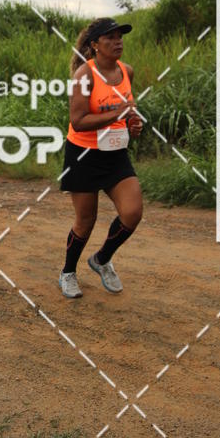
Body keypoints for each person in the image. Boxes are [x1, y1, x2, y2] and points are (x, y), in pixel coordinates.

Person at [59, 17, 144, 299]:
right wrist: (118, 114)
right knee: (86, 219)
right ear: (95, 45)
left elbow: (127, 111)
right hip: (83, 154)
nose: (118, 41)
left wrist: (132, 123)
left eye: (120, 36)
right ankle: (68, 272)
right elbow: (79, 120)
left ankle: (102, 259)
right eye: (110, 37)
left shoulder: (126, 71)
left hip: (115, 153)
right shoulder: (84, 76)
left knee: (132, 212)